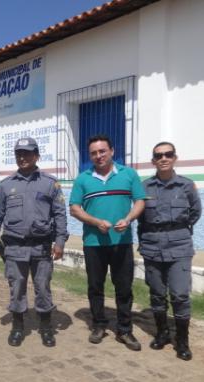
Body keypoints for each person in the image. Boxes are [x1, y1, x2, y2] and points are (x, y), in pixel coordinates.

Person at [0, 137, 68, 347]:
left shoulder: (50, 183)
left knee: (42, 287)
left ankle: (46, 328)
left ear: (37, 155)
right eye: (19, 154)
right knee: (17, 287)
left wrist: (59, 242)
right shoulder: (6, 185)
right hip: (14, 247)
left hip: (41, 247)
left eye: (27, 153)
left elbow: (60, 215)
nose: (22, 157)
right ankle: (18, 326)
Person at [69, 134, 145, 351]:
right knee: (95, 287)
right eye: (93, 153)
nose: (98, 156)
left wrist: (129, 218)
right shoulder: (83, 179)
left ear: (112, 151)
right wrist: (95, 222)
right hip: (93, 243)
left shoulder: (129, 174)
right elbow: (74, 208)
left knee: (124, 288)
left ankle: (124, 330)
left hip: (122, 241)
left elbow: (140, 201)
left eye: (102, 151)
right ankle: (99, 325)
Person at [138, 142, 201, 361]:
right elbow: (139, 216)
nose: (163, 158)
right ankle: (162, 333)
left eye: (168, 154)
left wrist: (175, 231)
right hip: (152, 245)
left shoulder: (186, 186)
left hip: (179, 245)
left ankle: (182, 341)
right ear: (153, 160)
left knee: (180, 294)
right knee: (156, 293)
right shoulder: (144, 187)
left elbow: (195, 213)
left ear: (175, 158)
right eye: (159, 155)